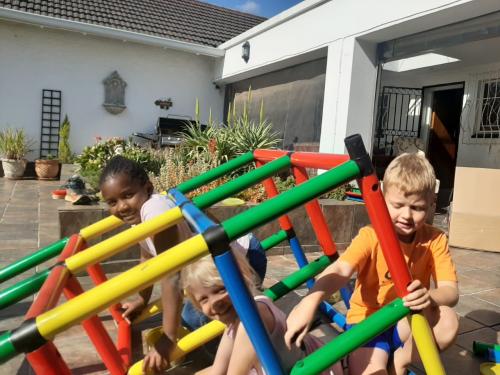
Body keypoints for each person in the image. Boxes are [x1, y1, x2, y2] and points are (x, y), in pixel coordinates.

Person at [284, 152, 459, 375]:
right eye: (398, 205)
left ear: (431, 205)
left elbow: (451, 291)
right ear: (383, 199)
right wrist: (309, 301)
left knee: (448, 322)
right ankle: (374, 361)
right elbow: (341, 268)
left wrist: (429, 297)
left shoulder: (435, 239)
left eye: (417, 208)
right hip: (367, 323)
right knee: (373, 371)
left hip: (405, 319)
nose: (406, 215)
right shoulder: (371, 236)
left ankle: (400, 361)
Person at [99, 155, 267, 373]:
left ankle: (243, 359)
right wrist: (142, 299)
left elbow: (172, 273)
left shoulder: (154, 210)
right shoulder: (140, 217)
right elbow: (147, 258)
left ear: (147, 188)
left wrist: (169, 336)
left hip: (243, 257)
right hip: (214, 267)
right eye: (112, 202)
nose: (121, 207)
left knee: (196, 317)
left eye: (128, 195)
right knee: (196, 311)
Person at [181, 252, 343, 375]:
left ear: (242, 279)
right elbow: (217, 370)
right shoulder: (237, 321)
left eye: (220, 289)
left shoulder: (251, 319)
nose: (214, 302)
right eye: (203, 299)